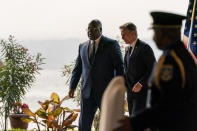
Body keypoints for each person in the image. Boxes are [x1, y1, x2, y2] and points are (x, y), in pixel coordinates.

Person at [114, 11, 197, 131]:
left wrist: (134, 123)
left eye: (155, 32)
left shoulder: (172, 61)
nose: (154, 37)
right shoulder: (178, 56)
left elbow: (165, 104)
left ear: (163, 33)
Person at [68, 19, 124, 131]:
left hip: (106, 93)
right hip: (87, 93)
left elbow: (120, 67)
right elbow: (77, 69)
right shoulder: (82, 46)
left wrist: (119, 89)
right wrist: (72, 87)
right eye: (88, 29)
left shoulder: (111, 44)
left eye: (93, 28)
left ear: (100, 29)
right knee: (84, 126)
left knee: (110, 125)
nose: (89, 31)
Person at [119, 22, 156, 116]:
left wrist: (141, 83)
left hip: (142, 95)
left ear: (132, 33)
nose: (122, 38)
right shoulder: (128, 49)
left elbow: (154, 69)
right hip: (130, 95)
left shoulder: (144, 48)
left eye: (124, 35)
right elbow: (127, 71)